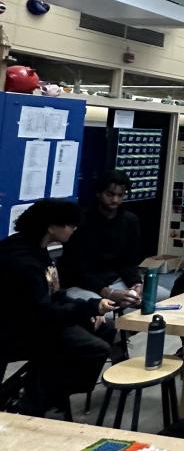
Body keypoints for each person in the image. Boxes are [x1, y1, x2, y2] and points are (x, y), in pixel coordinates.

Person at [0, 199, 112, 415]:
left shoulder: (39, 249)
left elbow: (56, 295)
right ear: (51, 227)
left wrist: (89, 308)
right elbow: (42, 312)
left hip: (38, 320)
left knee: (106, 328)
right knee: (95, 349)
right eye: (70, 224)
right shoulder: (22, 261)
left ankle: (45, 393)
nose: (74, 228)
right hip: (16, 329)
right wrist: (88, 309)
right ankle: (30, 399)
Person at [58, 169, 144, 311]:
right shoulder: (81, 222)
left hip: (116, 280)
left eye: (120, 195)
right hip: (83, 284)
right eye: (110, 194)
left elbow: (129, 261)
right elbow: (77, 269)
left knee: (159, 298)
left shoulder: (130, 221)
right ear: (99, 193)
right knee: (105, 311)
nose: (115, 200)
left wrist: (136, 283)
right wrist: (107, 292)